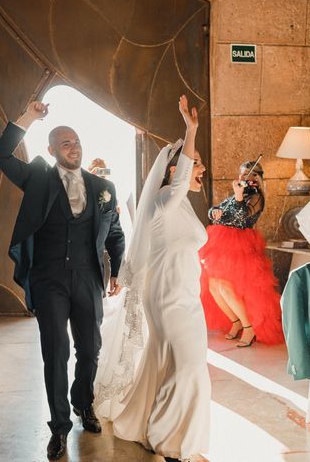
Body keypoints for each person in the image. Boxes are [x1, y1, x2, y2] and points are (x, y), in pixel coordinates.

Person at [0, 101, 125, 461]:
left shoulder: (103, 186)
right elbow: (0, 154)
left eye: (76, 141)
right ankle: (60, 427)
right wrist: (27, 118)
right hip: (49, 278)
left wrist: (119, 270)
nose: (73, 146)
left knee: (90, 350)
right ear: (51, 150)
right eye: (65, 143)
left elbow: (114, 233)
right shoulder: (37, 177)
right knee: (56, 352)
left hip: (88, 278)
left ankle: (84, 403)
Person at [96, 95, 209, 462]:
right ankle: (173, 442)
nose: (201, 170)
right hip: (167, 298)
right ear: (174, 172)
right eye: (196, 165)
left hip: (186, 295)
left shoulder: (183, 206)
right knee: (190, 368)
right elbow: (178, 185)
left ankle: (152, 426)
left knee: (170, 363)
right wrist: (190, 130)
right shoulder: (164, 199)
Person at [199, 161, 284, 346]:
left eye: (248, 174)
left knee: (225, 286)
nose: (244, 177)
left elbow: (240, 217)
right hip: (222, 243)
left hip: (240, 246)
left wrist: (238, 196)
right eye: (242, 173)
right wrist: (215, 212)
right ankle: (236, 322)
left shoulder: (256, 197)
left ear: (256, 177)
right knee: (213, 285)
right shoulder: (239, 193)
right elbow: (217, 209)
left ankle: (248, 327)